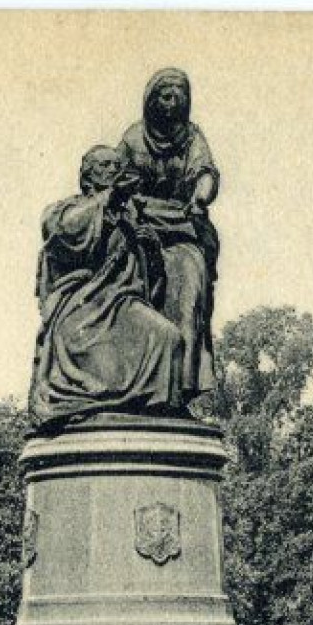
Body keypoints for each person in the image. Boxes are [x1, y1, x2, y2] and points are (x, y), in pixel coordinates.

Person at [29, 144, 187, 428]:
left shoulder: (130, 219)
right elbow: (62, 233)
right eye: (104, 165)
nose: (113, 170)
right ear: (87, 176)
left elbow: (149, 286)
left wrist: (150, 250)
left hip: (123, 305)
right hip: (83, 309)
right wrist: (109, 198)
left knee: (169, 336)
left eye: (117, 165)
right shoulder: (66, 209)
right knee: (109, 367)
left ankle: (154, 412)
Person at [116, 68, 220, 406]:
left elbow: (205, 173)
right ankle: (137, 386)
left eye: (181, 96)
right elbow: (115, 187)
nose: (173, 102)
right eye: (166, 95)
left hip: (180, 230)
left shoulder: (192, 138)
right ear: (151, 99)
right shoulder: (133, 139)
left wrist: (202, 195)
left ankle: (178, 390)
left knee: (191, 281)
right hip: (141, 229)